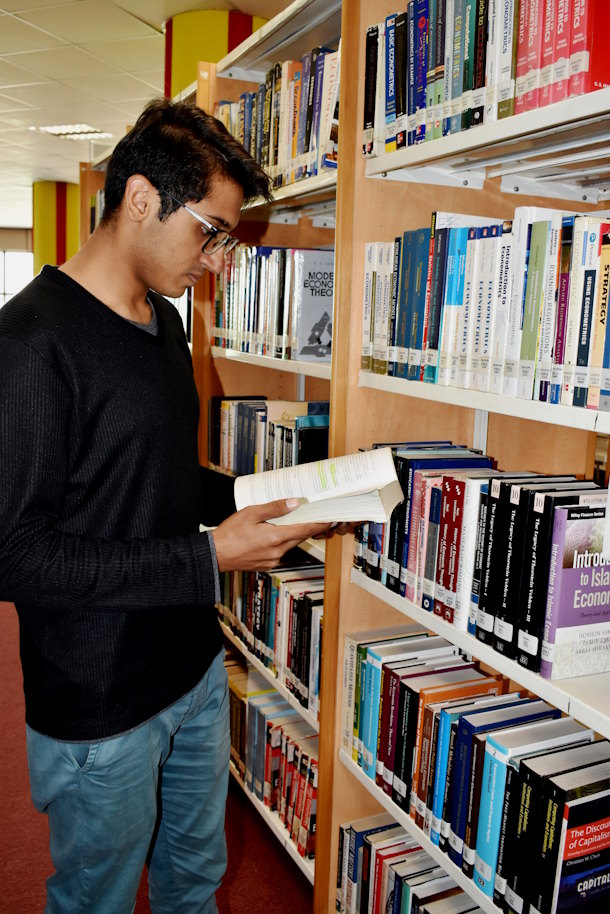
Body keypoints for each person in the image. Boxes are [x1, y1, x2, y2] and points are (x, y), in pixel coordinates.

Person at [0, 98, 337, 914]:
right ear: (143, 199)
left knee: (195, 882)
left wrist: (273, 498)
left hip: (191, 667)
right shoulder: (28, 345)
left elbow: (159, 478)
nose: (218, 260)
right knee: (99, 900)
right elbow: (16, 554)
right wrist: (209, 557)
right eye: (212, 232)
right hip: (100, 700)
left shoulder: (165, 326)